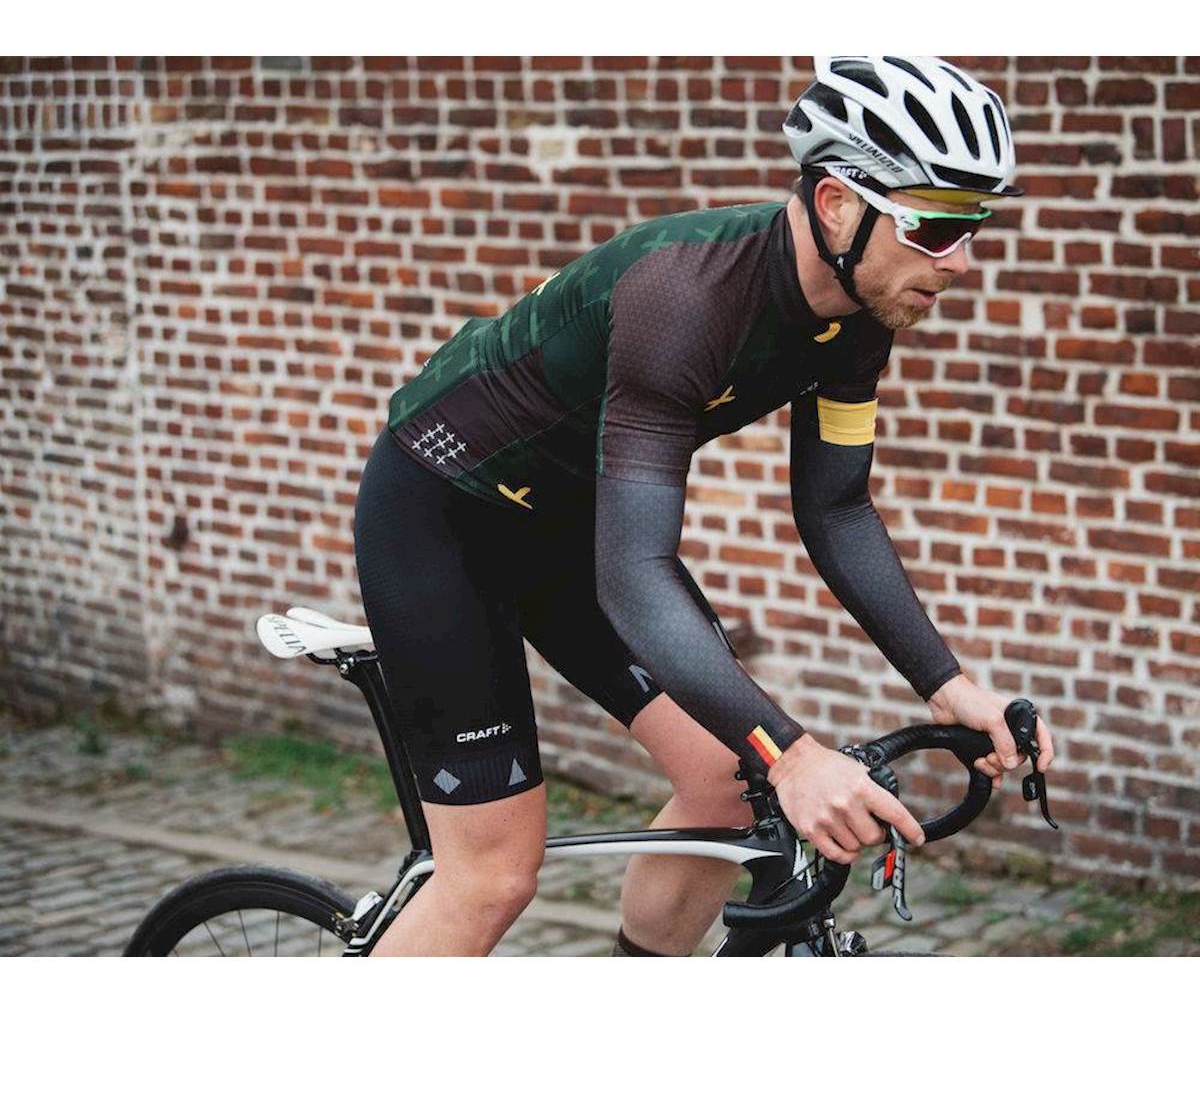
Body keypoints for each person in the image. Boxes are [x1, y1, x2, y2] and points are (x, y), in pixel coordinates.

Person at [353, 55, 1056, 957]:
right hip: (445, 515)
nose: (959, 263)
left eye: (974, 227)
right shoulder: (684, 297)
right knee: (491, 877)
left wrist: (949, 686)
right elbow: (633, 573)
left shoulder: (858, 316)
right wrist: (794, 756)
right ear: (837, 204)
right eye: (936, 226)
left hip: (568, 528)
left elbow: (838, 509)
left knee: (728, 780)